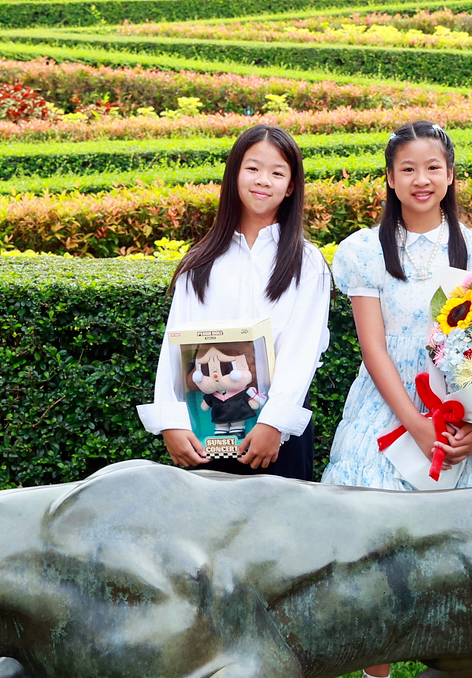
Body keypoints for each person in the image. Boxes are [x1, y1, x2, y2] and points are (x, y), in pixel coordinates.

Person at [321, 120, 472, 678]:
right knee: (379, 539)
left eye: (433, 168)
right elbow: (374, 348)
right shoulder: (365, 251)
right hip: (388, 405)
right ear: (390, 179)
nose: (422, 179)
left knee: (463, 544)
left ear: (450, 175)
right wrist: (415, 425)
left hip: (471, 408)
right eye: (408, 169)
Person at [138, 125, 329, 480]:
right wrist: (172, 422)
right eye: (252, 168)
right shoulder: (200, 262)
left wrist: (274, 422)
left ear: (291, 186)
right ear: (234, 175)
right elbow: (175, 345)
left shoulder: (306, 262)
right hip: (205, 429)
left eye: (277, 173)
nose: (263, 180)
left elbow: (303, 348)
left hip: (275, 436)